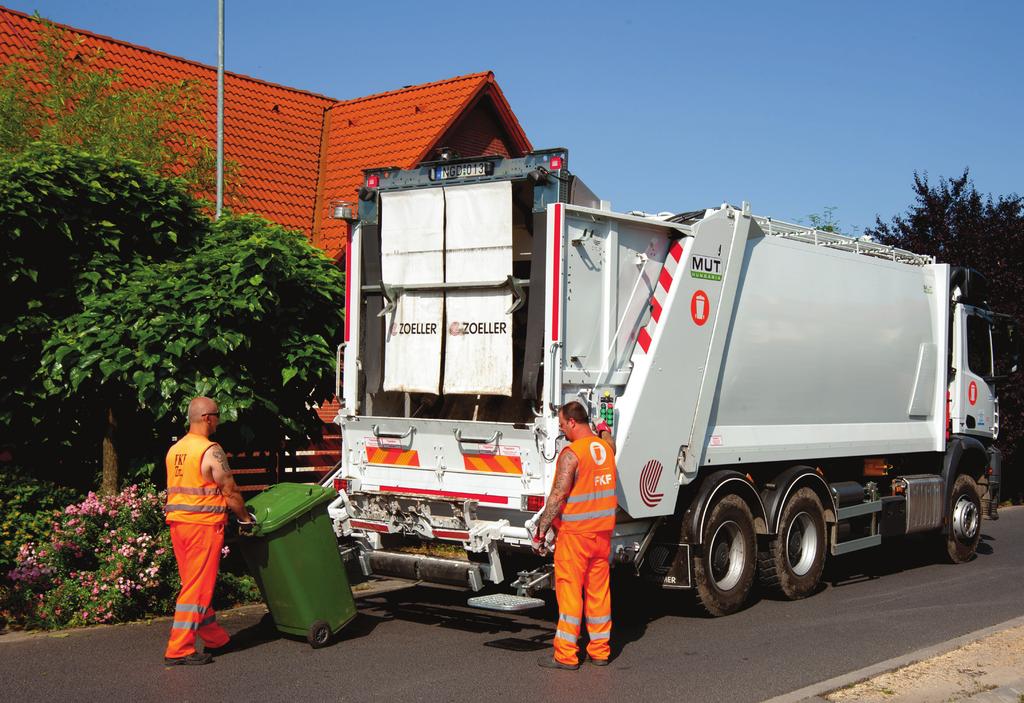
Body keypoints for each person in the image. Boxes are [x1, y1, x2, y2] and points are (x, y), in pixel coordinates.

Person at [163, 396, 253, 666]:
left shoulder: (175, 449)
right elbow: (230, 490)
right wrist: (245, 519)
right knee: (197, 589)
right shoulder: (210, 450)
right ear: (207, 418)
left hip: (179, 525)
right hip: (203, 528)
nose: (219, 420)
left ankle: (215, 639)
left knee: (193, 585)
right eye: (217, 415)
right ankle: (179, 650)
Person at [532, 401, 617, 670]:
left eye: (561, 425)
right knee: (598, 594)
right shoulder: (604, 448)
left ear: (571, 422)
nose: (561, 430)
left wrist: (541, 530)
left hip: (575, 537)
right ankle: (600, 652)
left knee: (570, 595)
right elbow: (608, 443)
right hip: (601, 535)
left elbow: (557, 496)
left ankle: (566, 655)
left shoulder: (572, 454)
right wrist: (603, 429)